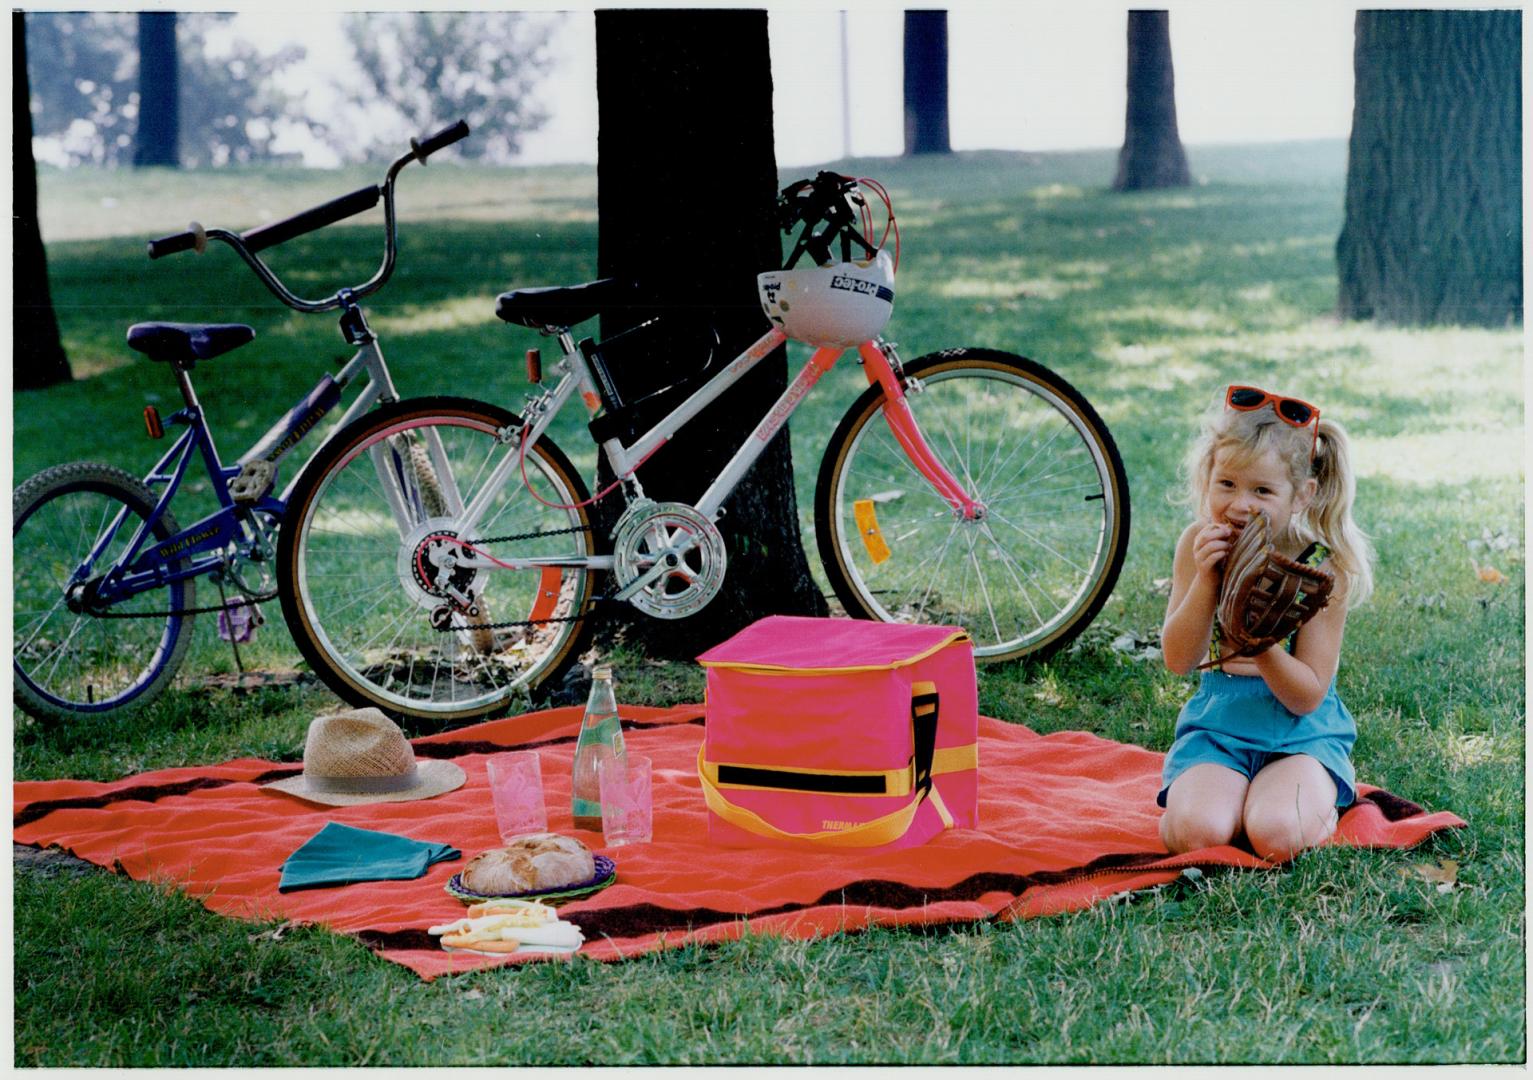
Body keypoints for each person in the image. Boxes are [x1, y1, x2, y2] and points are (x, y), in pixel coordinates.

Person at [1158, 385, 1374, 860]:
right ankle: (1223, 797)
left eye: (1262, 490)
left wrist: (1258, 642)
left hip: (1300, 734)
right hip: (1219, 726)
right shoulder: (1199, 543)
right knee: (1199, 832)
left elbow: (1307, 695)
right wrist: (1208, 584)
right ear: (1208, 475)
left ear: (1302, 495)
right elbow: (1177, 659)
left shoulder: (1322, 569)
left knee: (1277, 835)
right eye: (1227, 484)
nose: (1240, 504)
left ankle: (1300, 799)